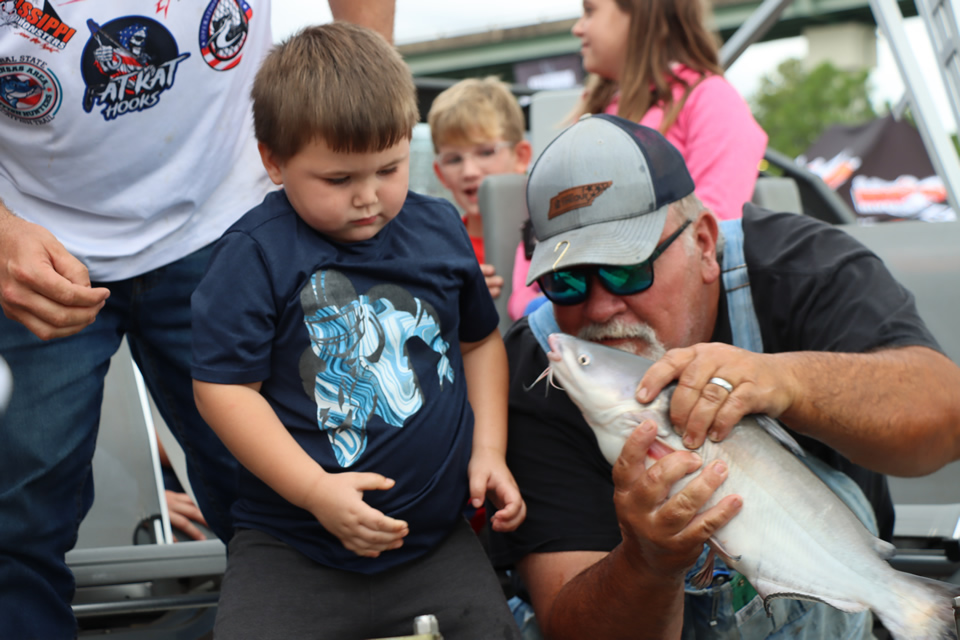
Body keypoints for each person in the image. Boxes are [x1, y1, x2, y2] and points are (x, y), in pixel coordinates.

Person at [0, 2, 394, 637]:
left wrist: (369, 106)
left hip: (232, 209)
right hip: (26, 237)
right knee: (10, 526)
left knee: (299, 492)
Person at [487, 114, 960, 639]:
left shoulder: (800, 269)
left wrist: (789, 381)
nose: (599, 307)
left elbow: (945, 420)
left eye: (628, 268)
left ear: (706, 244)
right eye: (566, 280)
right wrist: (648, 561)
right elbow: (567, 623)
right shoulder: (537, 369)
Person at [191, 23, 525, 639]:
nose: (369, 197)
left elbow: (479, 343)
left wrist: (490, 451)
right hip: (292, 546)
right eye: (339, 180)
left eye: (390, 168)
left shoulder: (438, 230)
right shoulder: (254, 255)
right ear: (274, 160)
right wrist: (316, 491)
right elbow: (224, 390)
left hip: (434, 542)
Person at [571, 0, 767, 221]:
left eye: (589, 11)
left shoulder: (712, 101)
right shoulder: (593, 111)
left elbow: (709, 231)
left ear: (641, 13)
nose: (577, 29)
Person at [428, 76, 542, 320]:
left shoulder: (554, 233)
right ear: (440, 173)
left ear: (521, 155)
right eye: (454, 159)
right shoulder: (436, 253)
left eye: (486, 152)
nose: (469, 171)